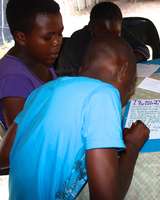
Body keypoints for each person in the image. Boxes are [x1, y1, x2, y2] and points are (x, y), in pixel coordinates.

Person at [0, 35, 150, 199]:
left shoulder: (41, 91)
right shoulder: (104, 95)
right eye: (132, 84)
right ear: (123, 70)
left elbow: (5, 156)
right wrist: (132, 145)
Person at [0, 0, 62, 130]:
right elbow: (23, 141)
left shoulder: (40, 58)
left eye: (60, 33)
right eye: (48, 37)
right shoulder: (13, 80)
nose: (57, 42)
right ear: (21, 37)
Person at [56, 1, 150, 76]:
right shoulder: (77, 40)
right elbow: (64, 73)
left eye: (116, 35)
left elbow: (143, 50)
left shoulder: (121, 33)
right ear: (92, 28)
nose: (111, 40)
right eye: (105, 35)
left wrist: (127, 60)